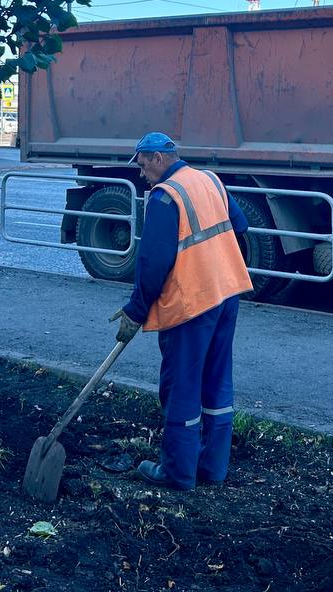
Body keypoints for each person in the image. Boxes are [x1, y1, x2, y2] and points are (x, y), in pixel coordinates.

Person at [110, 132, 253, 490]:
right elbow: (240, 226)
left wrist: (136, 310)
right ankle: (212, 467)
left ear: (158, 158)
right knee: (217, 382)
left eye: (142, 164)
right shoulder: (209, 180)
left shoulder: (165, 196)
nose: (141, 173)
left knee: (182, 387)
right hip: (226, 293)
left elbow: (153, 261)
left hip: (192, 304)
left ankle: (177, 472)